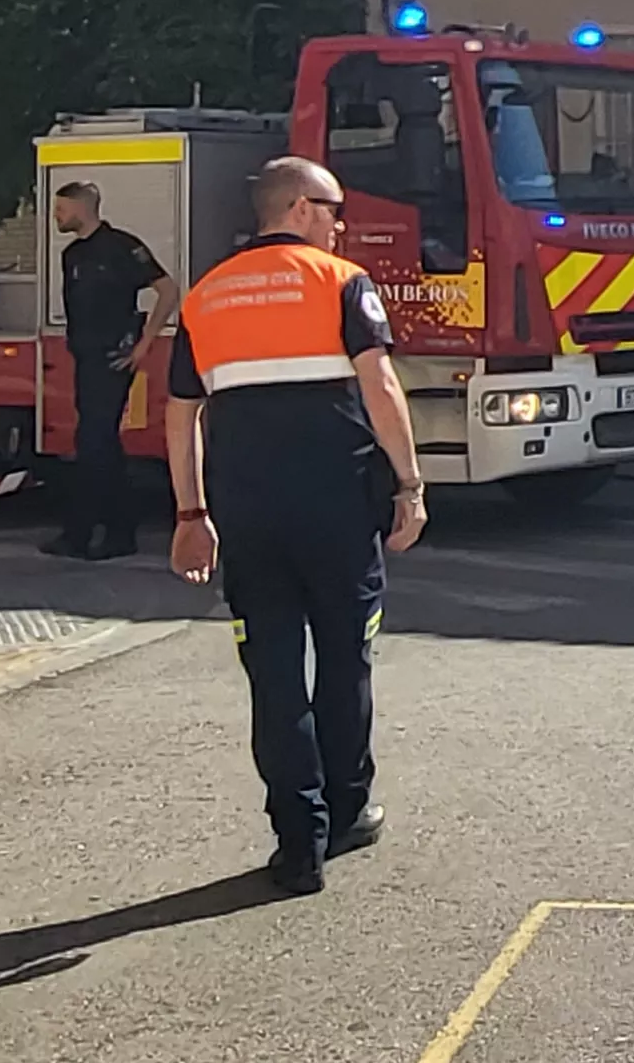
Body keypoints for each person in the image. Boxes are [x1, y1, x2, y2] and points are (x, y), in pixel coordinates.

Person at [164, 156, 428, 894]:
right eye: (334, 208)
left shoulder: (207, 296)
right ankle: (346, 810)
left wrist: (191, 512)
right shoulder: (340, 282)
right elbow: (378, 385)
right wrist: (408, 484)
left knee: (274, 675)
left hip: (250, 516)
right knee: (345, 660)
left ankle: (296, 842)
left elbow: (181, 413)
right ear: (301, 208)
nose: (341, 223)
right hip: (337, 509)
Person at [47, 180, 171, 561]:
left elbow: (167, 289)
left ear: (83, 208)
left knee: (94, 442)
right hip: (85, 358)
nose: (57, 216)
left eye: (61, 209)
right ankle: (102, 532)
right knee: (97, 444)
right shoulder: (72, 255)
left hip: (113, 358)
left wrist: (144, 344)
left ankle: (93, 533)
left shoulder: (121, 247)